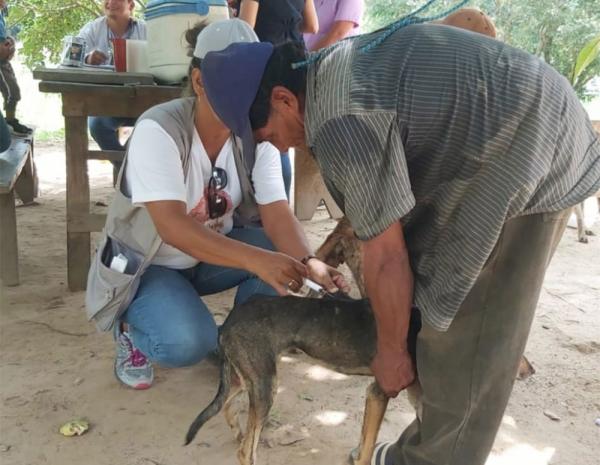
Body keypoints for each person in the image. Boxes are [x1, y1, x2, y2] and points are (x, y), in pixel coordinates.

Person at [198, 12, 600, 465]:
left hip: (533, 152)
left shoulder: (336, 120)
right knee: (429, 310)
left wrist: (390, 353)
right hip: (512, 136)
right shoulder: (329, 69)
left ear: (284, 99)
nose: (274, 146)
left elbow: (386, 256)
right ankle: (421, 446)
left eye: (265, 134)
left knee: (468, 339)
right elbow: (384, 223)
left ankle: (434, 457)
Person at [85, 18, 348, 391]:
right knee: (188, 342)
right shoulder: (159, 130)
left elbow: (276, 210)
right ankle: (131, 330)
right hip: (150, 264)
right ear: (198, 81)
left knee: (284, 263)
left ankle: (235, 342)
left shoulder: (255, 130)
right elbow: (173, 227)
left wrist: (309, 263)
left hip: (206, 259)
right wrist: (257, 260)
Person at [237, 0, 319, 199]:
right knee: (285, 141)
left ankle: (271, 205)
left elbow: (244, 33)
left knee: (271, 140)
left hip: (266, 66)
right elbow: (312, 26)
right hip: (296, 63)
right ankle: (281, 204)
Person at [78, 0, 146, 167]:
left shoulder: (145, 30)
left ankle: (136, 168)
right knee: (97, 125)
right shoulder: (93, 29)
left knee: (154, 125)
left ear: (131, 5)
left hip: (143, 101)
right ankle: (127, 170)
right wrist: (87, 58)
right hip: (107, 102)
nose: (109, 3)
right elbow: (70, 55)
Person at [0, 1, 32, 136]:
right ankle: (9, 122)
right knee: (11, 91)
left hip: (4, 61)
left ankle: (10, 120)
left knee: (13, 92)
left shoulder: (1, 13)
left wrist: (9, 41)